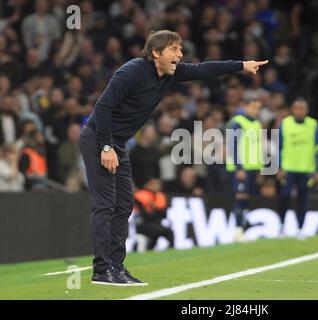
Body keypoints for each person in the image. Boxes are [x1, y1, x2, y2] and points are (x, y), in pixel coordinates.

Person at [79, 29, 268, 286]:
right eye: (174, 49)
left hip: (119, 144)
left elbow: (204, 69)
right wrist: (105, 148)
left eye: (180, 50)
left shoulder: (170, 73)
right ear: (156, 52)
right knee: (105, 205)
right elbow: (102, 107)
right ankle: (102, 271)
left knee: (124, 205)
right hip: (99, 140)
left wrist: (241, 65)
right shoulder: (132, 71)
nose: (180, 55)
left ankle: (117, 267)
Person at [277, 98, 318, 239]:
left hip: (306, 168)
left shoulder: (313, 125)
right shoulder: (285, 124)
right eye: (296, 108)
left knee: (302, 199)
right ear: (292, 110)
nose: (299, 111)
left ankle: (300, 228)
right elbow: (278, 146)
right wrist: (278, 167)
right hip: (288, 168)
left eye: (302, 108)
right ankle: (281, 226)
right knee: (284, 197)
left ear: (306, 110)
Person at [226, 99, 264, 242]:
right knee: (240, 197)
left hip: (252, 167)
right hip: (241, 168)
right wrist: (239, 167)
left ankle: (241, 228)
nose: (256, 110)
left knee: (246, 198)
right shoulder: (237, 122)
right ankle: (237, 231)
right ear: (246, 106)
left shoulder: (257, 123)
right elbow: (233, 146)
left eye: (259, 107)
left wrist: (260, 167)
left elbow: (258, 147)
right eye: (254, 106)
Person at [133, 178, 174, 250]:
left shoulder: (160, 196)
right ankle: (149, 249)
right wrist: (152, 207)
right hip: (141, 223)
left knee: (168, 232)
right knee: (157, 230)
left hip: (155, 223)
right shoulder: (140, 195)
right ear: (147, 185)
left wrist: (154, 207)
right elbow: (143, 215)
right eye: (153, 184)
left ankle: (170, 251)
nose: (156, 186)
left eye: (157, 183)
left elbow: (163, 215)